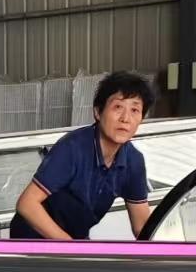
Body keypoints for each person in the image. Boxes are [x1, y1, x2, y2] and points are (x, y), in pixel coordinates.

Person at [12, 71, 154, 241]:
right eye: (118, 107)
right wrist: (71, 247)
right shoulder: (72, 148)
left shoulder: (134, 161)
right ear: (98, 112)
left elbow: (141, 225)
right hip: (33, 238)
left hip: (74, 239)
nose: (125, 118)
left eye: (135, 110)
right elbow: (27, 204)